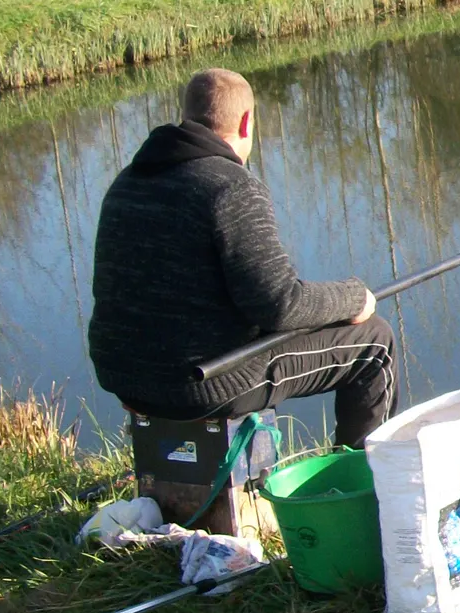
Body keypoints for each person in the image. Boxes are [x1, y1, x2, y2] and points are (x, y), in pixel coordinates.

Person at [89, 67, 396, 447]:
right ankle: (364, 483)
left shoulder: (126, 183)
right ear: (246, 121)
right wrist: (354, 296)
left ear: (186, 116)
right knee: (375, 343)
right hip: (205, 382)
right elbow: (279, 305)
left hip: (126, 378)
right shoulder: (231, 186)